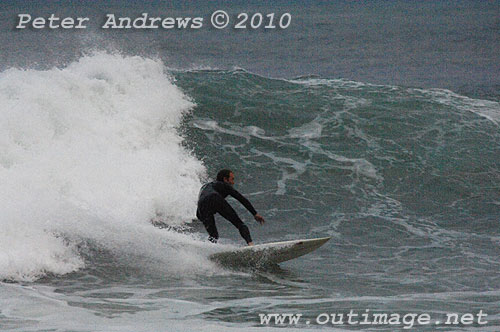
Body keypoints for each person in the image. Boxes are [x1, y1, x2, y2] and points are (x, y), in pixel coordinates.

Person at [196, 169, 265, 246]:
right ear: (225, 179)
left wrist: (205, 219)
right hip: (214, 198)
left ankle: (210, 250)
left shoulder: (205, 187)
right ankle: (251, 245)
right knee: (240, 225)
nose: (233, 182)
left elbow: (199, 212)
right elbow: (241, 198)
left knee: (213, 235)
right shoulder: (223, 185)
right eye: (232, 179)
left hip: (201, 205)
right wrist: (255, 214)